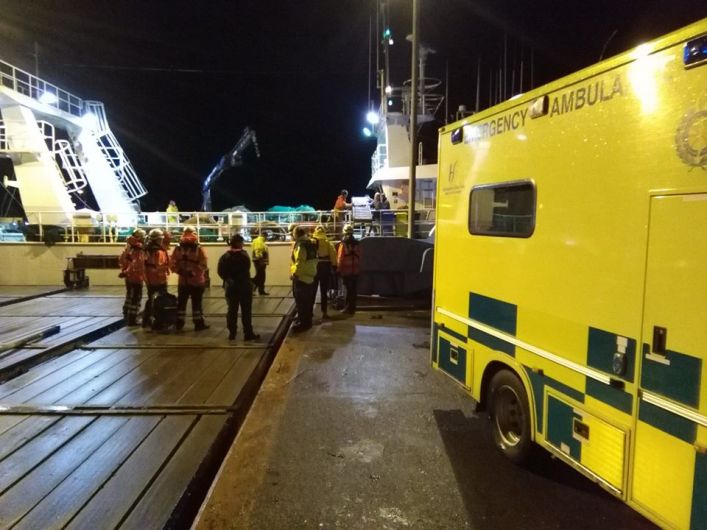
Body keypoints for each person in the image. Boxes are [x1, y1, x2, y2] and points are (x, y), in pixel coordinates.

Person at [218, 234, 260, 341]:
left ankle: (232, 333)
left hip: (231, 287)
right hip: (244, 286)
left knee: (232, 310)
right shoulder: (244, 255)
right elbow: (246, 268)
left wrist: (228, 279)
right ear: (238, 243)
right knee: (246, 310)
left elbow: (220, 271)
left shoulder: (225, 256)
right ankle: (248, 333)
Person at [170, 226, 210, 331]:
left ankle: (179, 323)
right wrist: (194, 272)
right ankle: (198, 324)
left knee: (181, 303)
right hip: (197, 281)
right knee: (197, 303)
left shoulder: (178, 248)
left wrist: (180, 271)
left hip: (183, 281)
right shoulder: (198, 248)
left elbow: (172, 263)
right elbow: (204, 264)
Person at [289, 225, 318, 332]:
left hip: (301, 277)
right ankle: (307, 321)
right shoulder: (310, 243)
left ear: (296, 234)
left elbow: (299, 262)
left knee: (301, 301)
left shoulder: (300, 245)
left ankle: (303, 323)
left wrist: (295, 274)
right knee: (308, 301)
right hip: (310, 276)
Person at [142, 228, 171, 329]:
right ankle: (158, 323)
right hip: (159, 279)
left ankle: (146, 320)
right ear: (159, 239)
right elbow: (160, 266)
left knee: (151, 299)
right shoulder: (160, 252)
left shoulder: (145, 250)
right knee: (160, 301)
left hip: (148, 278)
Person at [118, 228, 146, 326]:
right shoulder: (138, 249)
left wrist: (124, 271)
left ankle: (126, 313)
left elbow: (121, 260)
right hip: (136, 276)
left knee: (129, 295)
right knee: (136, 297)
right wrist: (128, 271)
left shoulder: (128, 247)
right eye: (143, 237)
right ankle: (133, 319)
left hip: (128, 277)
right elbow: (137, 263)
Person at [311, 225, 337, 319]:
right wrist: (334, 266)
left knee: (312, 290)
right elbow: (333, 255)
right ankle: (324, 312)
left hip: (314, 267)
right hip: (325, 267)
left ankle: (310, 312)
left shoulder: (312, 241)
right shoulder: (327, 242)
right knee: (323, 291)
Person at [337, 224, 361, 315]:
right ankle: (352, 308)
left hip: (346, 270)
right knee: (353, 290)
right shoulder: (357, 243)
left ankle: (347, 308)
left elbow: (340, 257)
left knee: (348, 290)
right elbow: (360, 256)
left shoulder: (343, 244)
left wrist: (338, 269)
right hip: (355, 269)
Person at [251, 230, 269, 295]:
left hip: (257, 261)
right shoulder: (260, 241)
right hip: (260, 261)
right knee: (259, 276)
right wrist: (261, 260)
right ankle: (252, 288)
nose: (267, 239)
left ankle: (260, 290)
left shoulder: (256, 240)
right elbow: (258, 251)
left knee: (261, 276)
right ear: (265, 236)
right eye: (267, 237)